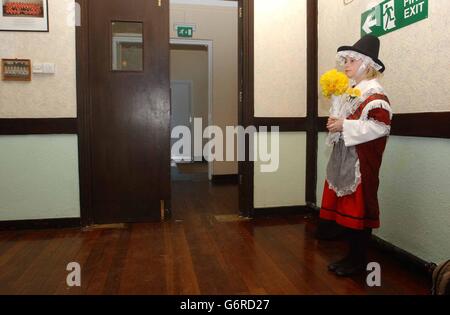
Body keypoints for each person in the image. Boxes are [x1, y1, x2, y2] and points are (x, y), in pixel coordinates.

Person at [320, 35, 393, 277]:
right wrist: (337, 123)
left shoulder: (375, 95)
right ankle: (351, 258)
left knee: (359, 211)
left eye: (351, 61)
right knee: (349, 211)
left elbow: (381, 127)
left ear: (367, 65)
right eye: (347, 61)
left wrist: (345, 126)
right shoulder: (352, 91)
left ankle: (358, 261)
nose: (346, 65)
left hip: (361, 165)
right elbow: (347, 121)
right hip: (347, 159)